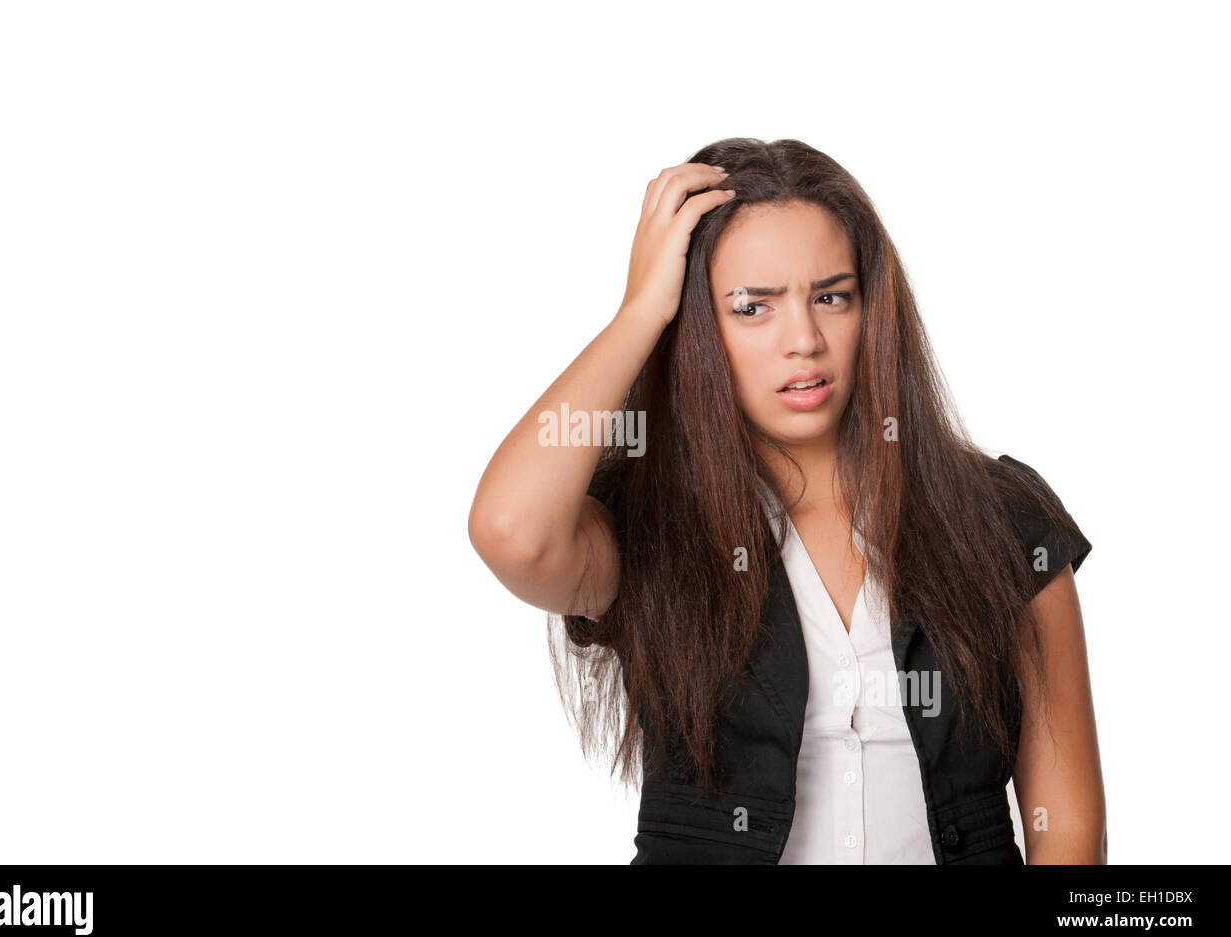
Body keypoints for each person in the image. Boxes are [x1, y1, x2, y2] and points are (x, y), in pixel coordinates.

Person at [468, 138, 1105, 864]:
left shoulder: (1004, 522)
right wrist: (641, 311)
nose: (803, 339)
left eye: (832, 296)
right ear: (698, 324)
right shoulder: (649, 527)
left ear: (873, 309)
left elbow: (1071, 834)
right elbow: (511, 527)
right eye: (752, 308)